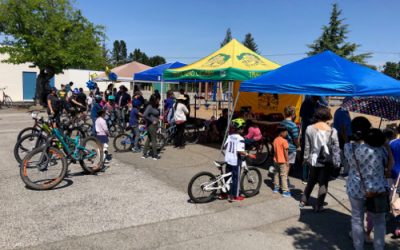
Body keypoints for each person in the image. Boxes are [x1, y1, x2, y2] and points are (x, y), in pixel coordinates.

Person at [344, 117, 390, 250]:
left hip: (355, 188)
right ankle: (379, 247)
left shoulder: (348, 147)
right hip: (377, 188)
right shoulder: (380, 149)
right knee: (379, 221)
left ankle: (358, 247)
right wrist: (384, 143)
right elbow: (387, 164)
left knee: (357, 218)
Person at [299, 106, 339, 212]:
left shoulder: (309, 128)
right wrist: (337, 161)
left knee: (311, 180)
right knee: (323, 183)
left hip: (313, 159)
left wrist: (305, 159)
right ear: (327, 116)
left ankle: (303, 200)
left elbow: (307, 147)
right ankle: (319, 205)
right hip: (326, 161)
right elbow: (336, 148)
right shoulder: (332, 130)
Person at [300, 96, 327, 183]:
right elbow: (302, 115)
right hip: (308, 131)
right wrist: (313, 121)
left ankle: (312, 175)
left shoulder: (318, 104)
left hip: (315, 132)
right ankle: (305, 176)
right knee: (306, 152)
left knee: (315, 152)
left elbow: (325, 105)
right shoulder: (307, 103)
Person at [223, 118, 247, 202]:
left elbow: (225, 146)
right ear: (240, 129)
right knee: (235, 178)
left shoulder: (230, 136)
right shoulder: (240, 139)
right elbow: (240, 151)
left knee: (227, 177)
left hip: (228, 159)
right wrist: (248, 154)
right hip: (235, 161)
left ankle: (225, 193)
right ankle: (234, 196)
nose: (244, 129)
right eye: (243, 128)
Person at [273, 126, 291, 197]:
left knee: (276, 174)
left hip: (276, 160)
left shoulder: (275, 140)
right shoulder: (284, 141)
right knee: (284, 176)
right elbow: (286, 152)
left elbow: (274, 151)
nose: (287, 134)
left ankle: (276, 188)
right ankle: (285, 191)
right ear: (282, 133)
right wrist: (287, 161)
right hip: (283, 161)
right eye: (286, 132)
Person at [142, 94, 161, 160]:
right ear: (154, 100)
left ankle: (144, 154)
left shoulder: (153, 106)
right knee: (153, 140)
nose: (159, 100)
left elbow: (154, 114)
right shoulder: (150, 106)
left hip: (153, 125)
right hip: (151, 125)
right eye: (158, 99)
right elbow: (144, 115)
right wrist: (152, 120)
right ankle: (155, 155)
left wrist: (158, 118)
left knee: (149, 139)